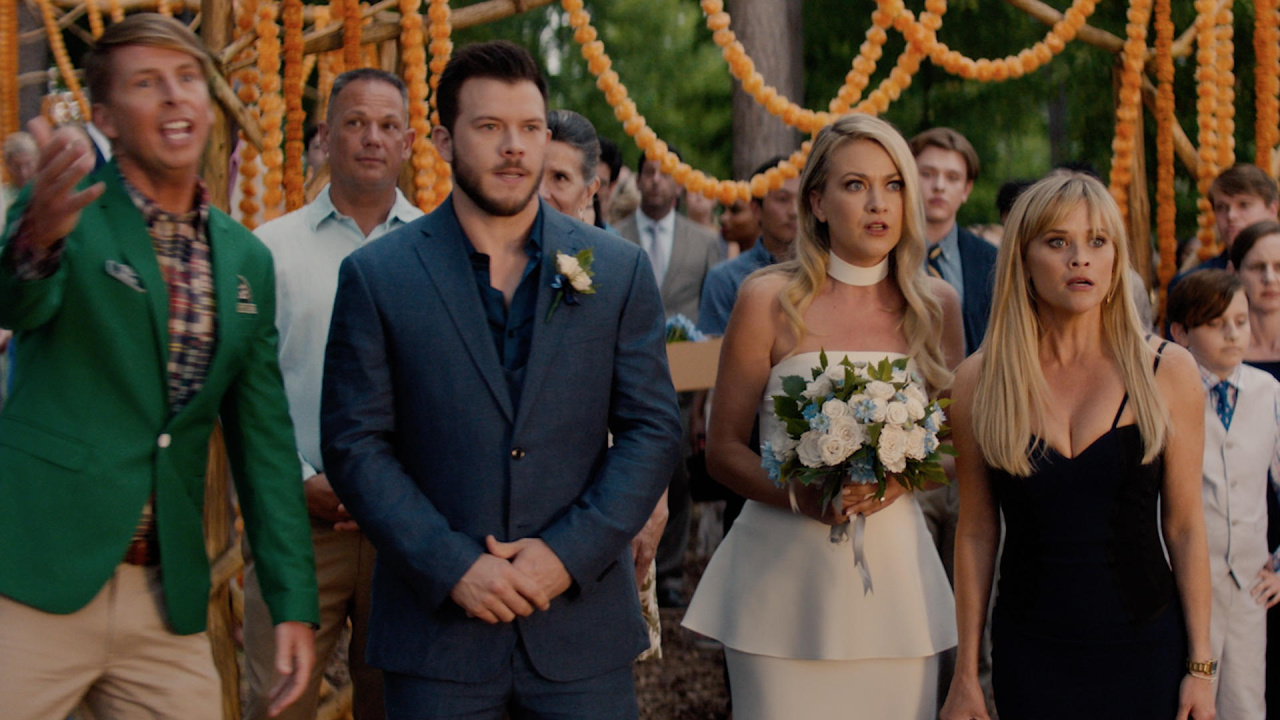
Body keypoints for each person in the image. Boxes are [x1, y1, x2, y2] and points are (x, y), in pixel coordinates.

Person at [321, 40, 682, 718]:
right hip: (438, 643)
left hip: (578, 636)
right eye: (489, 128)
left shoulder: (616, 270)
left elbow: (653, 430)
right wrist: (452, 565)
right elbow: (354, 443)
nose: (514, 147)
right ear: (442, 139)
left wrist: (565, 555)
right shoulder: (379, 276)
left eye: (530, 129)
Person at [0, 14, 319, 719]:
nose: (176, 97)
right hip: (33, 575)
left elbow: (264, 445)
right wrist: (34, 239)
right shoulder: (63, 212)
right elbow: (15, 301)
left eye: (187, 80)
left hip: (163, 600)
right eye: (148, 84)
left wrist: (292, 600)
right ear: (107, 119)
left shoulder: (244, 259)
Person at [682, 113, 964, 719]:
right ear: (817, 200)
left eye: (893, 185)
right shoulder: (766, 299)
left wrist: (896, 481)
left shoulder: (936, 305)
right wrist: (798, 497)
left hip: (896, 590)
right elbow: (723, 450)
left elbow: (951, 448)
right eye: (856, 185)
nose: (877, 203)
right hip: (779, 585)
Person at [941, 172, 1216, 720]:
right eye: (1057, 241)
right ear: (1022, 259)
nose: (1080, 259)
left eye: (1097, 241)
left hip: (1147, 648)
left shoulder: (1167, 371)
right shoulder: (978, 380)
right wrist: (965, 677)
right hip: (1030, 652)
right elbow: (975, 532)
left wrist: (1201, 668)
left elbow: (1184, 527)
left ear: (1116, 261)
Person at [242, 68, 423, 720]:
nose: (371, 138)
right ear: (324, 138)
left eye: (386, 125)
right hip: (297, 526)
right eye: (353, 123)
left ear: (409, 142)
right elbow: (249, 392)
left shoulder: (443, 251)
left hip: (407, 531)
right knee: (275, 701)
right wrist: (297, 481)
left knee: (400, 704)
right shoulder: (271, 252)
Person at [538, 106, 669, 660]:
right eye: (536, 172)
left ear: (593, 187)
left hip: (610, 489)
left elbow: (647, 409)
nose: (542, 191)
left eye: (560, 179)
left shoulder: (620, 271)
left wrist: (653, 501)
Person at [1168, 270, 1280, 720]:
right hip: (1186, 583)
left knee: (1247, 701)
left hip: (1251, 584)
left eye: (1241, 320)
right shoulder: (1168, 392)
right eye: (1216, 324)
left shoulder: (1268, 391)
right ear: (1181, 333)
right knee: (1189, 699)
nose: (1234, 334)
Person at [616, 143, 721, 608]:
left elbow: (713, 313)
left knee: (676, 475)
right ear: (638, 181)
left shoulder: (704, 241)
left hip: (684, 383)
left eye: (664, 174)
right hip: (623, 375)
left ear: (680, 183)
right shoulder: (613, 235)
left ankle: (673, 571)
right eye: (648, 173)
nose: (656, 180)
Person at [1226, 219, 1280, 716]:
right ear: (1233, 272)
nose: (1270, 278)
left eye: (1279, 267)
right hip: (1237, 552)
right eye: (1257, 267)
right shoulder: (1213, 354)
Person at [910, 127, 997, 357]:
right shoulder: (880, 253)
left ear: (967, 189)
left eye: (952, 177)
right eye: (927, 174)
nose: (939, 185)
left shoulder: (992, 261)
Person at [696, 154, 799, 337]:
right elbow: (711, 357)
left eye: (802, 199)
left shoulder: (828, 270)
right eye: (783, 199)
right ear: (755, 209)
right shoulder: (725, 279)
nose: (794, 211)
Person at [1172, 164, 1279, 287]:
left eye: (1244, 205)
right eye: (1221, 207)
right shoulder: (1192, 286)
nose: (1231, 215)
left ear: (1272, 210)